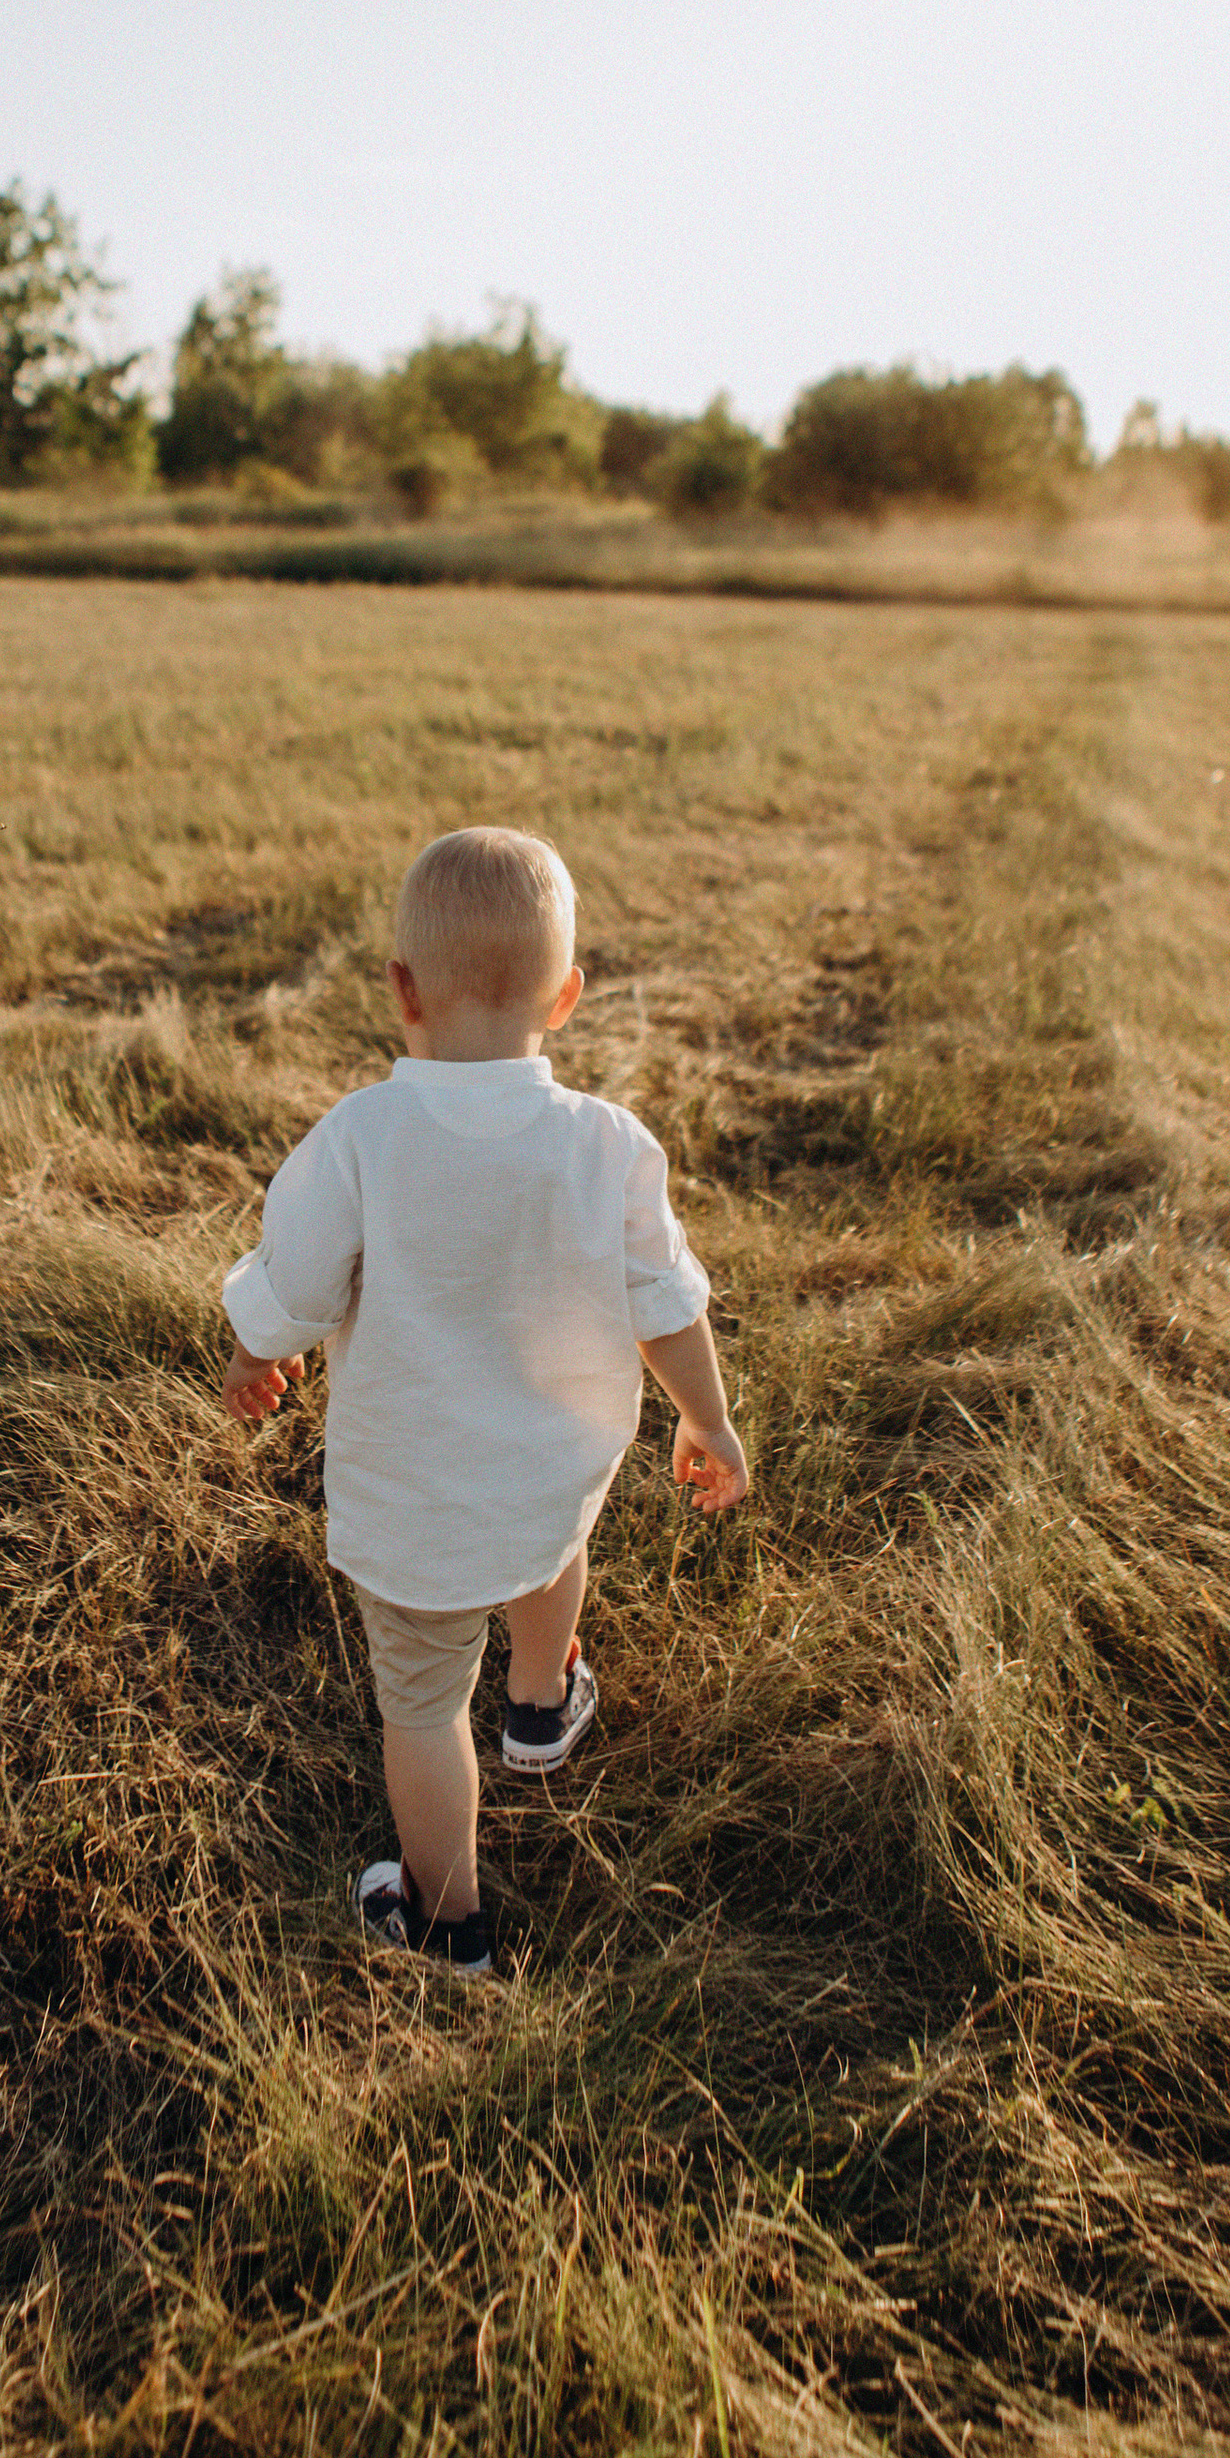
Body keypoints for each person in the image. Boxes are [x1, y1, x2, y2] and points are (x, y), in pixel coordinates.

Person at [220, 824, 748, 1978]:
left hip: (411, 1496)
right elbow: (665, 1301)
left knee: (419, 1706)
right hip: (551, 1462)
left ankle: (447, 1920)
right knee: (549, 1542)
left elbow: (295, 1289)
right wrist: (706, 1419)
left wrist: (257, 1348)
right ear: (564, 999)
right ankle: (539, 1701)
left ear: (400, 990)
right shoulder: (609, 1144)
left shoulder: (361, 1137)